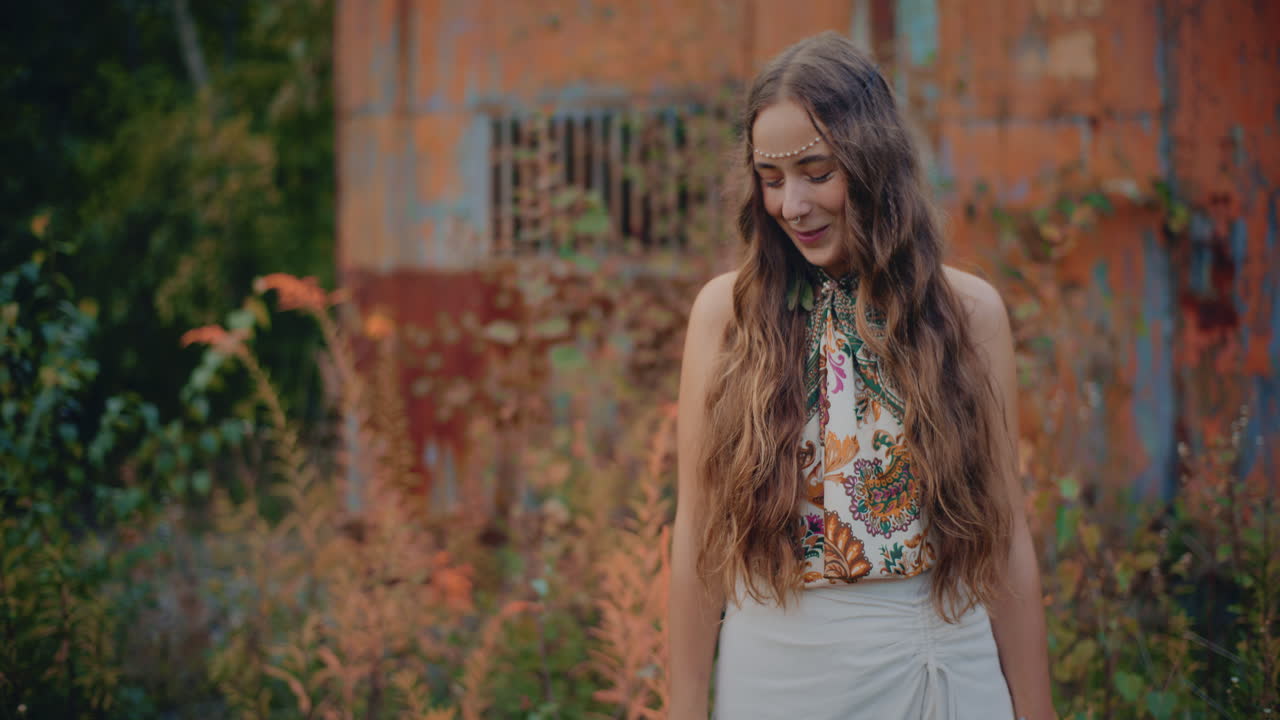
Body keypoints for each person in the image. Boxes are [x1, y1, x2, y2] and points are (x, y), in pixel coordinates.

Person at [668, 32, 1054, 720]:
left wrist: (1037, 709)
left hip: (940, 670)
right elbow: (696, 534)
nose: (792, 205)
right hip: (778, 680)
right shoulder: (725, 317)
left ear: (874, 163)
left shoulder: (969, 314)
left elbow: (1006, 537)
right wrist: (683, 706)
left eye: (818, 172)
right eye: (772, 178)